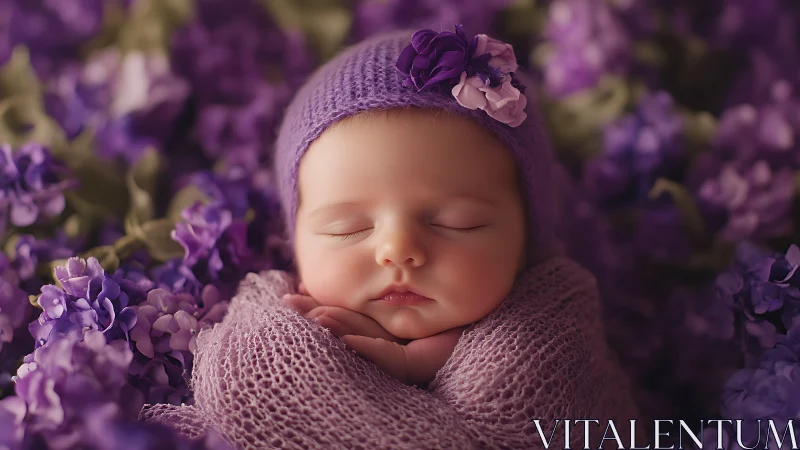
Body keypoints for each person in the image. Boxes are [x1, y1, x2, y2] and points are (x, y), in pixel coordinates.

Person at [274, 25, 562, 388]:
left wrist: (416, 361)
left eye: (459, 223)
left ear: (526, 238)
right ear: (295, 240)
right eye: (347, 227)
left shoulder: (553, 329)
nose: (398, 251)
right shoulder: (277, 326)